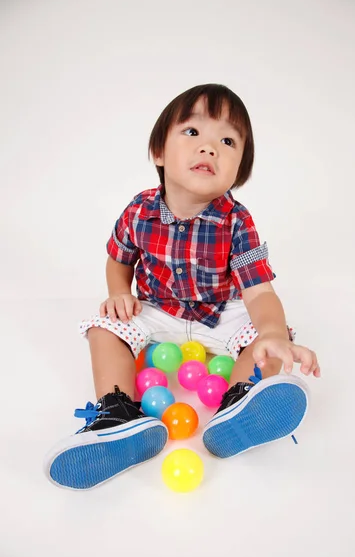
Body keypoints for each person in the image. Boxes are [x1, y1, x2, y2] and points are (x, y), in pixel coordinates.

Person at [44, 83, 321, 490]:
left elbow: (259, 291)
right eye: (192, 133)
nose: (209, 148)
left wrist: (275, 334)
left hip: (221, 314)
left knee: (262, 340)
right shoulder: (139, 211)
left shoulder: (237, 222)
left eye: (227, 141)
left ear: (239, 171)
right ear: (158, 152)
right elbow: (118, 260)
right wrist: (119, 292)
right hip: (158, 310)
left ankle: (241, 400)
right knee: (104, 328)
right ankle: (119, 414)